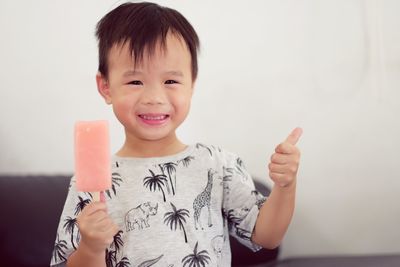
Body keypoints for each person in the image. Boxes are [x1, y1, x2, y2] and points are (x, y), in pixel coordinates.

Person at [50, 2, 302, 266]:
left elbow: (268, 236)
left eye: (170, 81)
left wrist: (286, 187)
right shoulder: (87, 187)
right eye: (135, 81)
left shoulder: (217, 165)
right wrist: (91, 247)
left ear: (192, 83)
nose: (154, 98)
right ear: (105, 87)